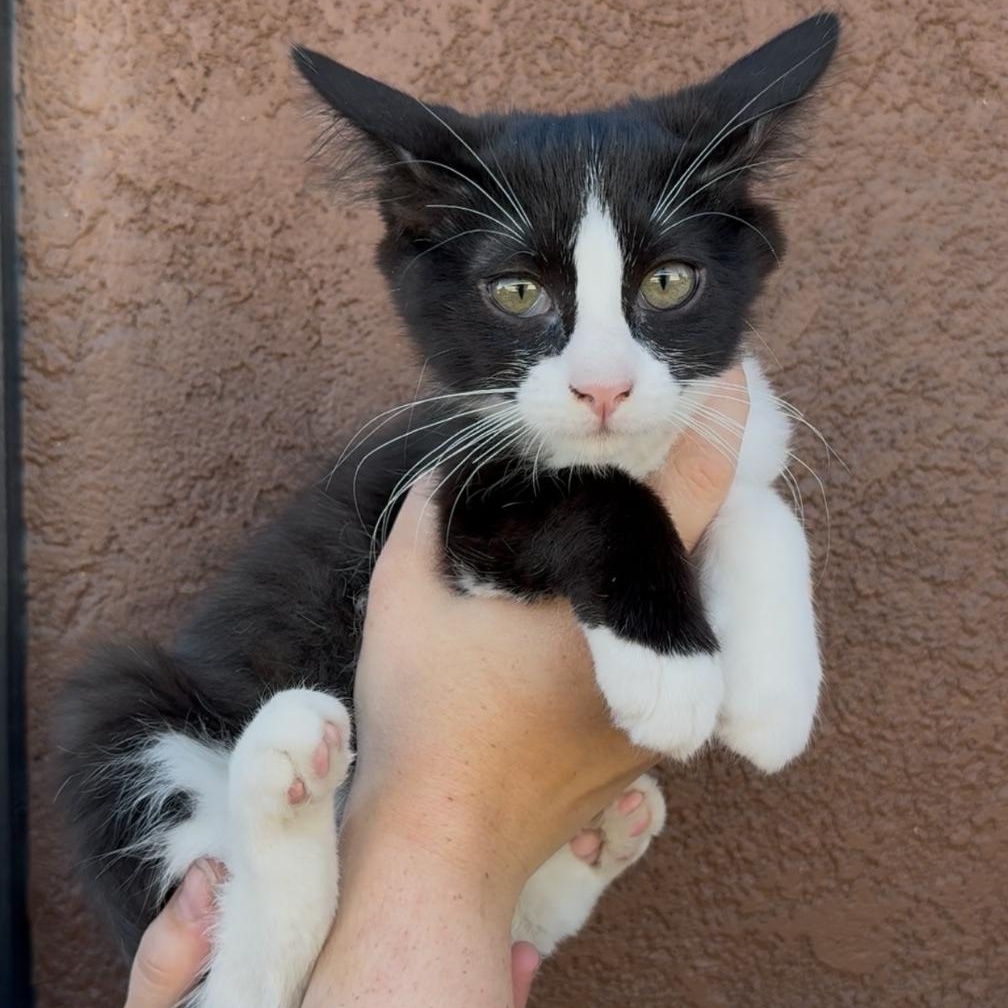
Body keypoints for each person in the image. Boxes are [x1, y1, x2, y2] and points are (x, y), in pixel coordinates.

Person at [123, 369, 749, 1008]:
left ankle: (480, 905)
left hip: (310, 828)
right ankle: (308, 917)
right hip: (233, 766)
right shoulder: (481, 453)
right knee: (124, 722)